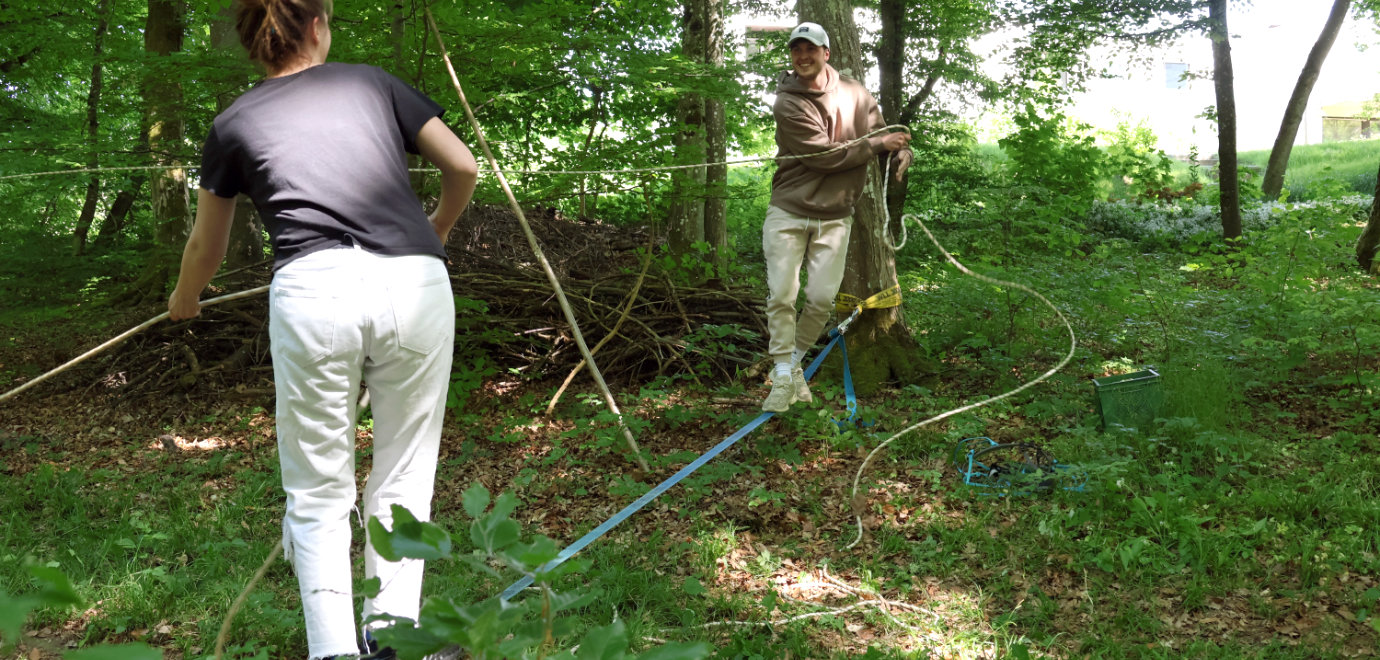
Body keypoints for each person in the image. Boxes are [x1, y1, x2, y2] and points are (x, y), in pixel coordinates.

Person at [167, 0, 478, 657]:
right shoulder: (371, 82)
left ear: (256, 42)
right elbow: (463, 167)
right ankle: (394, 640)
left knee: (316, 489)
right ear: (316, 27)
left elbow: (206, 247)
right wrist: (437, 232)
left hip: (312, 292)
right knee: (404, 472)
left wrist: (186, 299)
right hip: (416, 283)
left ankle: (335, 650)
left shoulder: (232, 122)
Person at [761, 22, 912, 412]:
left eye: (810, 49)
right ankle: (781, 372)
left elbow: (883, 133)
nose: (803, 56)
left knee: (821, 299)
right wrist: (880, 143)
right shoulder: (787, 102)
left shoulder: (855, 93)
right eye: (796, 50)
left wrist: (899, 152)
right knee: (782, 294)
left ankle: (793, 364)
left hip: (835, 216)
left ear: (826, 53)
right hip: (789, 211)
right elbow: (826, 157)